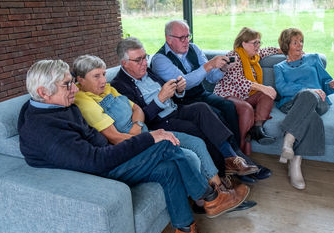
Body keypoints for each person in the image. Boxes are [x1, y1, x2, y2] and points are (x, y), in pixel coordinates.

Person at [18, 59, 250, 233]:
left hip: (102, 156)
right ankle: (210, 197)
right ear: (42, 92)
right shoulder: (45, 129)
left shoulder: (50, 105)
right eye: (67, 84)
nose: (75, 89)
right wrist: (150, 138)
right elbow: (95, 161)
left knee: (168, 168)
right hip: (95, 173)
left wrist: (143, 133)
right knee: (165, 146)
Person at [72, 55, 252, 210]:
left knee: (199, 132)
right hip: (137, 140)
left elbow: (136, 109)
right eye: (96, 76)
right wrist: (144, 132)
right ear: (80, 79)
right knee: (190, 151)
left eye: (104, 74)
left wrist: (137, 122)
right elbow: (115, 137)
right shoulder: (88, 99)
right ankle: (209, 199)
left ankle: (221, 187)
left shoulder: (109, 88)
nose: (103, 80)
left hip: (147, 128)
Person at [111, 37, 259, 179]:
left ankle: (231, 157)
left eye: (145, 57)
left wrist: (179, 91)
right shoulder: (120, 86)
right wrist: (160, 99)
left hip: (175, 109)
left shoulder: (147, 72)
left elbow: (173, 96)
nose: (144, 63)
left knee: (202, 108)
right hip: (160, 122)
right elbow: (141, 121)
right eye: (138, 60)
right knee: (198, 129)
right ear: (124, 63)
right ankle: (222, 173)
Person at [150, 20, 272, 181]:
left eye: (188, 36)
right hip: (182, 101)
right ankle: (236, 162)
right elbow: (184, 83)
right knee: (215, 114)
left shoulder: (194, 48)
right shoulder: (160, 59)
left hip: (201, 93)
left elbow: (212, 78)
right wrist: (209, 65)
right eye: (182, 38)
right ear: (168, 39)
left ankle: (237, 158)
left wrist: (221, 69)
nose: (187, 41)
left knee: (228, 106)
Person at [274, 28, 334, 189]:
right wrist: (308, 89)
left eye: (301, 41)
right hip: (291, 104)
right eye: (295, 42)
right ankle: (295, 163)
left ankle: (288, 142)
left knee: (310, 97)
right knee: (310, 112)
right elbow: (282, 89)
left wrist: (332, 85)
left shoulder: (313, 58)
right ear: (286, 45)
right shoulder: (280, 67)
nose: (300, 45)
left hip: (318, 101)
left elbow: (326, 84)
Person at [214, 27, 281, 145]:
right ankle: (240, 148)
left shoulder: (254, 57)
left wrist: (283, 50)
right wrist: (263, 87)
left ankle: (257, 128)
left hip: (244, 97)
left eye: (259, 42)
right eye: (255, 43)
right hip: (227, 97)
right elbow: (240, 82)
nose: (258, 45)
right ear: (243, 43)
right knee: (252, 104)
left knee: (268, 95)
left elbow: (267, 51)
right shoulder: (233, 57)